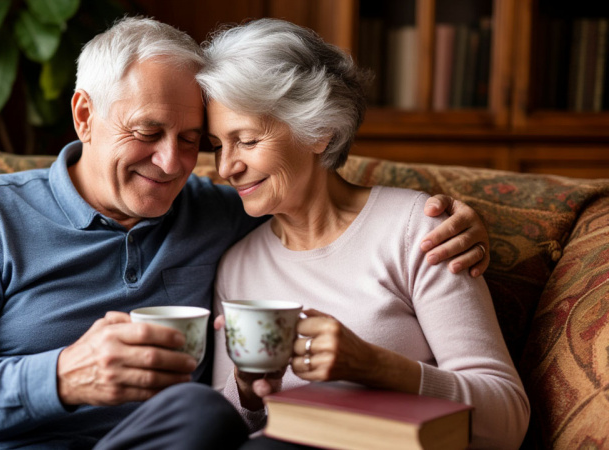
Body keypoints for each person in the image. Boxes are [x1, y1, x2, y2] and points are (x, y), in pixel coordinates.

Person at [0, 16, 492, 449]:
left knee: (200, 415)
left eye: (197, 141)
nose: (175, 164)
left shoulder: (223, 213)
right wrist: (63, 374)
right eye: (147, 132)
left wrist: (457, 221)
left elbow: (308, 200)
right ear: (84, 114)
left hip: (141, 441)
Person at [200, 18, 529, 450]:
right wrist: (245, 389)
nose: (226, 168)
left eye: (245, 140)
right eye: (218, 145)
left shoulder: (419, 228)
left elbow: (508, 420)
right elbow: (227, 429)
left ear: (318, 131)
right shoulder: (238, 264)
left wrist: (374, 366)